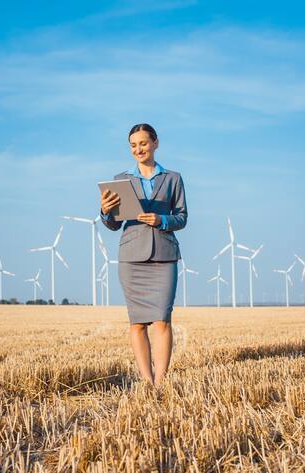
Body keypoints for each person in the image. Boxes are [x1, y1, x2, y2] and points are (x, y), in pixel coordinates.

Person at [100, 123, 187, 387]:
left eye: (143, 143)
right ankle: (147, 381)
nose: (138, 149)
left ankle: (161, 380)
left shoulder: (173, 178)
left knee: (162, 319)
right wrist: (105, 211)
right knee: (137, 323)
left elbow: (181, 218)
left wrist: (161, 219)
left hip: (163, 254)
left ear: (155, 143)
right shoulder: (120, 180)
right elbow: (113, 224)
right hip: (131, 257)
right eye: (133, 145)